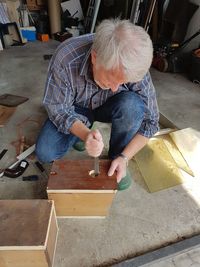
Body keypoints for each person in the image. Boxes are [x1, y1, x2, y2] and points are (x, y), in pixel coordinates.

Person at [35, 19, 159, 191]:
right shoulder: (66, 57)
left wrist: (125, 156)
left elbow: (151, 122)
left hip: (112, 106)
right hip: (76, 108)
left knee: (132, 105)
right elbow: (57, 109)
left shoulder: (134, 64)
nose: (116, 87)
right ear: (95, 57)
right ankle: (83, 130)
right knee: (45, 152)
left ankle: (116, 160)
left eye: (122, 82)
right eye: (111, 79)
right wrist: (85, 135)